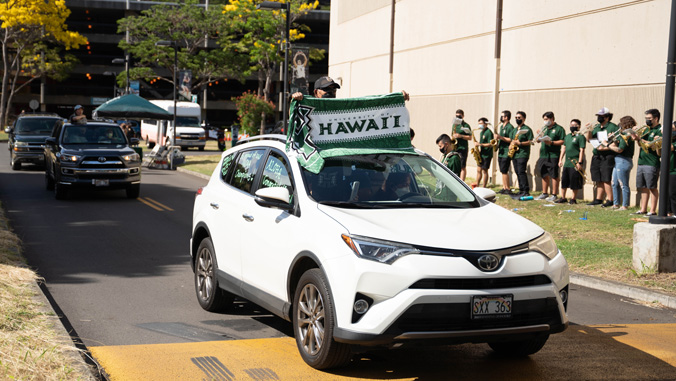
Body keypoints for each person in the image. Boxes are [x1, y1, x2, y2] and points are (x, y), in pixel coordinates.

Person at [585, 107, 618, 207]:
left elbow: (616, 143)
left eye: (601, 116)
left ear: (607, 117)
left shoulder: (613, 127)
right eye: (598, 116)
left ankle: (610, 199)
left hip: (607, 156)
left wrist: (604, 148)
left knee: (606, 178)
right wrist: (589, 130)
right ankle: (599, 199)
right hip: (596, 155)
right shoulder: (596, 127)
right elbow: (589, 140)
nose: (599, 118)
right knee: (598, 178)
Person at [634, 109, 663, 215]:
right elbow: (641, 144)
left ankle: (652, 210)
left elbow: (653, 144)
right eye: (646, 118)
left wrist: (640, 139)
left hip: (652, 162)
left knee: (652, 187)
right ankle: (643, 209)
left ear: (656, 118)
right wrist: (637, 138)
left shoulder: (660, 129)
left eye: (649, 119)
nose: (647, 121)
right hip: (642, 161)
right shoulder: (646, 129)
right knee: (643, 187)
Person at [606, 116, 636, 210]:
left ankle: (625, 205)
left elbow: (620, 149)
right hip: (618, 160)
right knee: (614, 183)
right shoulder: (622, 135)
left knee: (623, 184)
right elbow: (617, 144)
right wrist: (613, 139)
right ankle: (616, 204)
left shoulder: (626, 135)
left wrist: (607, 145)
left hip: (623, 160)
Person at [535, 111, 566, 202]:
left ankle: (554, 194)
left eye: (546, 119)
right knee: (544, 173)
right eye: (544, 119)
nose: (545, 121)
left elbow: (563, 141)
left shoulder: (559, 129)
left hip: (553, 155)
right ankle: (544, 193)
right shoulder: (544, 128)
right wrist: (538, 136)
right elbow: (538, 140)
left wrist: (552, 142)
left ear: (552, 118)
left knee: (554, 175)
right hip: (543, 154)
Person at [556, 119, 586, 204]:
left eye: (575, 125)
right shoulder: (567, 136)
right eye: (571, 125)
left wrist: (580, 162)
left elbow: (581, 150)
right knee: (564, 181)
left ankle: (573, 199)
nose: (572, 127)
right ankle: (563, 197)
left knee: (574, 182)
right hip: (567, 163)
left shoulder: (580, 137)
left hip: (575, 163)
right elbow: (564, 148)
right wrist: (560, 160)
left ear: (579, 126)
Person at [511, 111, 534, 197]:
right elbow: (512, 140)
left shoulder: (527, 129)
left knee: (521, 171)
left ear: (524, 119)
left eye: (519, 118)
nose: (517, 119)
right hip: (515, 154)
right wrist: (511, 145)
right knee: (517, 172)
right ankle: (521, 190)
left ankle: (526, 190)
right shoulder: (514, 130)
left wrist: (520, 143)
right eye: (516, 117)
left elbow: (531, 141)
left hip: (523, 154)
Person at [495, 110, 515, 194]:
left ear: (506, 117)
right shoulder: (501, 126)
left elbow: (511, 139)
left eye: (502, 116)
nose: (501, 117)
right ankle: (504, 187)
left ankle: (508, 188)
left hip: (506, 151)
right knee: (502, 170)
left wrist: (500, 137)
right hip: (501, 151)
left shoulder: (510, 127)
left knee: (505, 170)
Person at [451, 109, 472, 181]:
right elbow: (452, 135)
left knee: (462, 166)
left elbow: (470, 137)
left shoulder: (466, 125)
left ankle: (462, 181)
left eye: (459, 116)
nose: (458, 117)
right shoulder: (454, 125)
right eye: (456, 116)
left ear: (463, 116)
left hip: (463, 148)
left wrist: (461, 136)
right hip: (455, 147)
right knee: (456, 164)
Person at [474, 117, 494, 188]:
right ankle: (477, 184)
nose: (480, 125)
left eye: (481, 123)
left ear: (486, 124)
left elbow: (491, 144)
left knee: (484, 171)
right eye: (479, 124)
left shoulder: (489, 132)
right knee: (478, 170)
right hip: (481, 154)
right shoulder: (481, 132)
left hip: (487, 155)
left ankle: (484, 186)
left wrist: (480, 144)